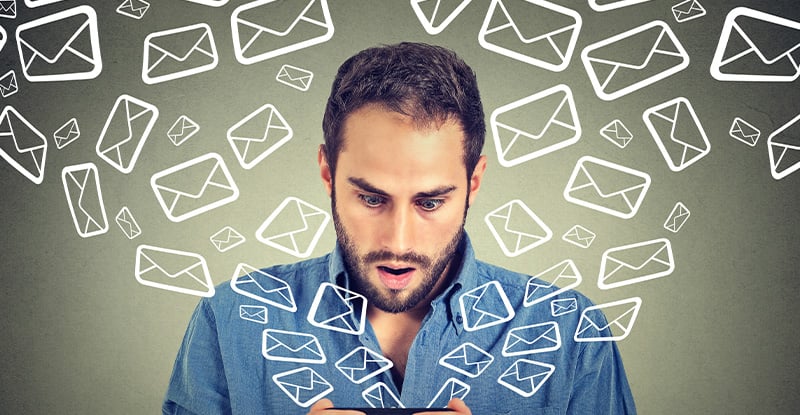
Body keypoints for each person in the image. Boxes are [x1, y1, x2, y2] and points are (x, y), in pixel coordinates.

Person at [162, 42, 637, 415]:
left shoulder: (569, 330)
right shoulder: (232, 319)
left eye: (430, 201)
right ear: (327, 174)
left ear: (473, 183)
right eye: (371, 198)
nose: (399, 242)